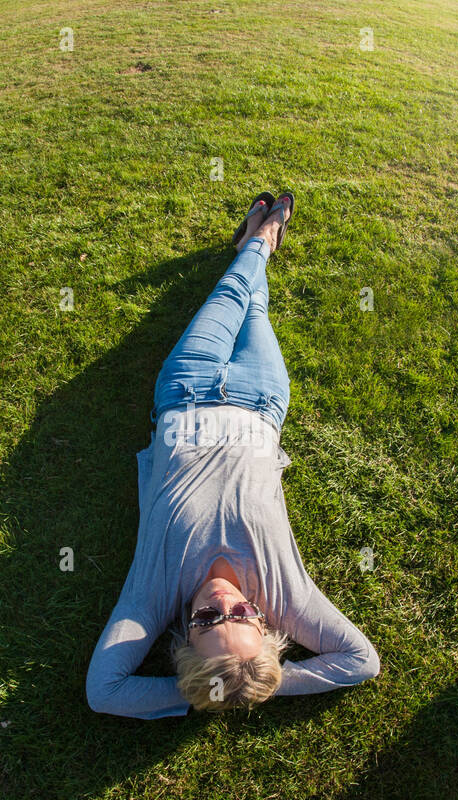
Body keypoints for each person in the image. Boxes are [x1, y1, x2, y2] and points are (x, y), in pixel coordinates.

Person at [85, 192, 381, 718]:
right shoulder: (286, 596)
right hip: (263, 398)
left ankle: (259, 240)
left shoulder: (151, 600)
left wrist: (208, 690)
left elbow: (104, 692)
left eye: (205, 622)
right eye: (242, 617)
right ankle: (258, 242)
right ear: (264, 625)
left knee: (229, 294)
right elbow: (361, 661)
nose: (224, 603)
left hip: (185, 391)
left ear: (181, 643)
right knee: (256, 307)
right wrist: (257, 682)